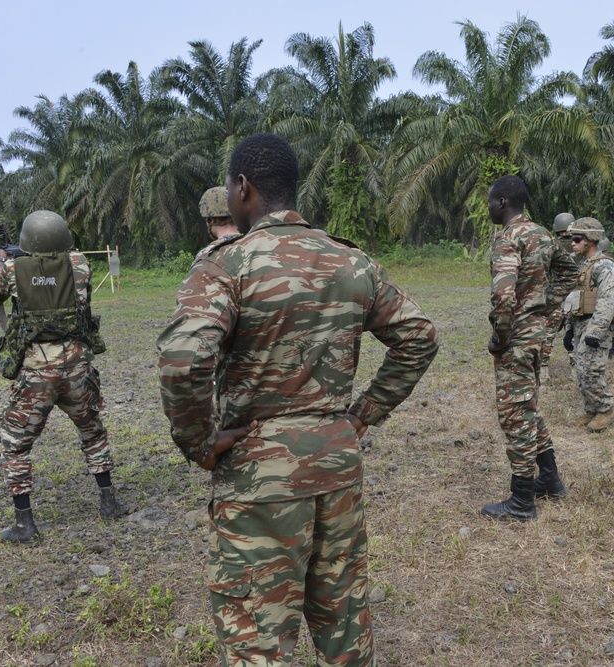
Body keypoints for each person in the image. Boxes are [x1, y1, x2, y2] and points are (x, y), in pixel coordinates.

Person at [157, 133, 439, 665]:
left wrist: (199, 441)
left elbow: (184, 359)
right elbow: (419, 336)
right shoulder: (352, 263)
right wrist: (362, 415)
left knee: (258, 632)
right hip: (337, 462)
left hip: (259, 473)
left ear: (243, 188)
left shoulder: (227, 264)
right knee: (344, 611)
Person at [0, 210, 121, 543]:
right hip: (78, 367)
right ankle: (109, 503)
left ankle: (25, 525)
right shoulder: (81, 265)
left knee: (15, 445)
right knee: (93, 432)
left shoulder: (12, 269)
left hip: (36, 373)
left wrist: (10, 330)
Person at [481, 176, 565, 522]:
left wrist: (500, 334)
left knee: (515, 416)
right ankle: (550, 480)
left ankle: (522, 501)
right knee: (527, 406)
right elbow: (569, 269)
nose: (487, 207)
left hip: (516, 338)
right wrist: (546, 309)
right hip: (536, 335)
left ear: (502, 203)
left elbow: (503, 294)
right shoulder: (543, 233)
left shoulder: (508, 238)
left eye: (489, 201)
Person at [561, 217, 614, 432]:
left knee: (591, 370)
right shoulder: (583, 266)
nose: (573, 243)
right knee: (581, 369)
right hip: (580, 323)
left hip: (596, 326)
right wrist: (569, 329)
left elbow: (608, 300)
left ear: (591, 240)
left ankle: (606, 409)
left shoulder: (605, 267)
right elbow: (575, 297)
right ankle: (591, 408)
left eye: (577, 239)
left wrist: (595, 331)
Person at [540, 212, 580, 383]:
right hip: (578, 298)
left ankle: (543, 371)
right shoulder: (582, 245)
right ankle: (575, 368)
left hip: (556, 298)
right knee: (574, 334)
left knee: (548, 335)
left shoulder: (551, 245)